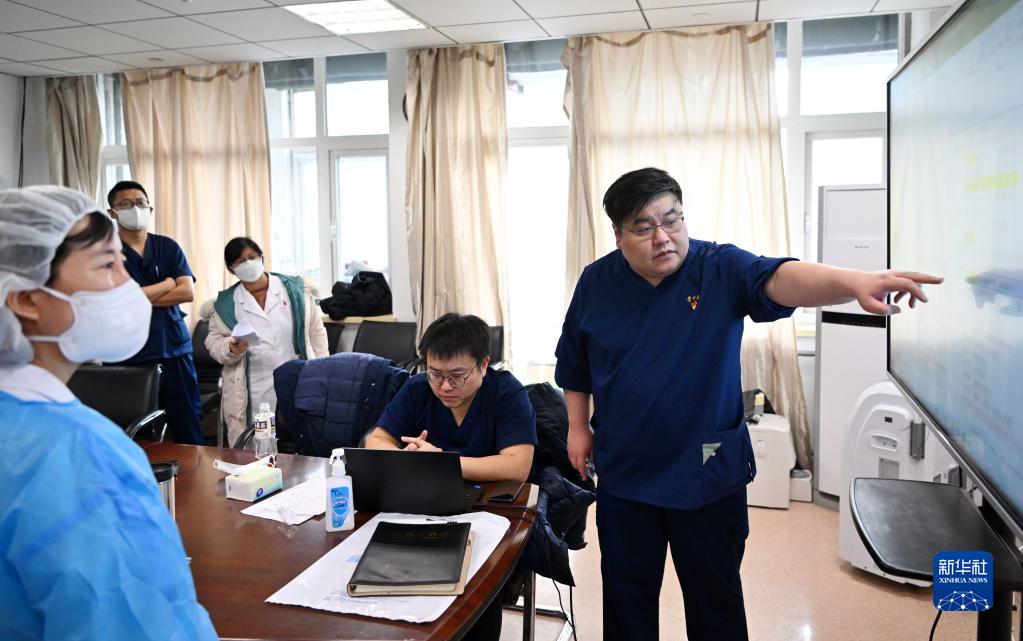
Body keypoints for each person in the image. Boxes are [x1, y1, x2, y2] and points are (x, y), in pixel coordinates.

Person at [554, 167, 942, 641]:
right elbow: (575, 360)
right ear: (618, 236)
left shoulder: (717, 267)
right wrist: (578, 426)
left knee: (715, 600)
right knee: (625, 598)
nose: (663, 237)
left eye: (672, 220)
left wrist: (854, 281)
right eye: (643, 227)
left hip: (706, 469)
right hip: (627, 472)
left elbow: (779, 277)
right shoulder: (597, 283)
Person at [0, 185, 217, 640]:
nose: (127, 286)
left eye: (123, 262)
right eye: (106, 265)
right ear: (25, 298)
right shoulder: (80, 458)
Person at [364, 313, 537, 641]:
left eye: (457, 376)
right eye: (435, 374)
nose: (444, 386)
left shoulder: (506, 393)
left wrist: (441, 462)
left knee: (477, 585)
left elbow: (517, 466)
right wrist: (406, 458)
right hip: (425, 504)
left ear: (483, 365)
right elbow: (377, 440)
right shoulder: (418, 389)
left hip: (492, 511)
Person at [106, 180, 204, 444]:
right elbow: (115, 301)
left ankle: (194, 470)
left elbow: (187, 292)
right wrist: (167, 284)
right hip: (127, 352)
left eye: (140, 203)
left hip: (173, 347)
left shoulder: (167, 247)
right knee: (130, 426)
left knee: (187, 420)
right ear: (112, 212)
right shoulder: (105, 253)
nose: (135, 209)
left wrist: (137, 296)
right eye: (126, 204)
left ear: (150, 209)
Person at [205, 237, 329, 446]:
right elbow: (213, 342)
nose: (248, 263)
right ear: (231, 268)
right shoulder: (227, 304)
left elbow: (316, 333)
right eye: (240, 261)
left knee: (304, 442)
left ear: (262, 258)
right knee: (258, 449)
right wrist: (230, 348)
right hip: (253, 387)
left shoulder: (294, 291)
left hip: (298, 379)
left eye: (252, 257)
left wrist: (322, 370)